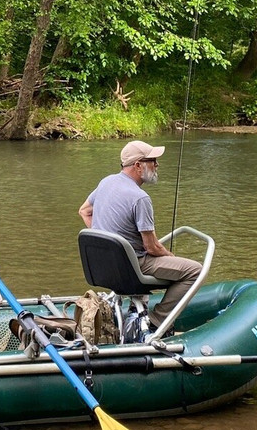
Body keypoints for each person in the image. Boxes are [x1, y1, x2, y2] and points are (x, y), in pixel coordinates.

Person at [78, 140, 202, 329]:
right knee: (195, 271)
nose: (157, 165)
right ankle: (157, 321)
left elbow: (84, 211)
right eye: (152, 160)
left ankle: (134, 312)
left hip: (104, 266)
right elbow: (151, 247)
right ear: (137, 165)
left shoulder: (106, 182)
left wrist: (106, 241)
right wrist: (170, 256)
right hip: (133, 267)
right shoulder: (140, 198)